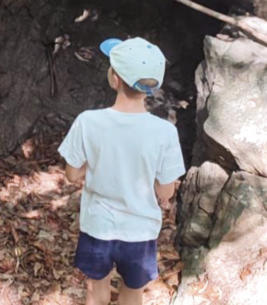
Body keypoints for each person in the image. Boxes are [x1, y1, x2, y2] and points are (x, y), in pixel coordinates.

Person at [58, 37, 185, 305]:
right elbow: (166, 191)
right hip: (140, 231)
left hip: (97, 226)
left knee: (96, 289)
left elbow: (71, 174)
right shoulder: (165, 132)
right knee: (132, 293)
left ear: (114, 78)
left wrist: (94, 165)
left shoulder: (88, 122)